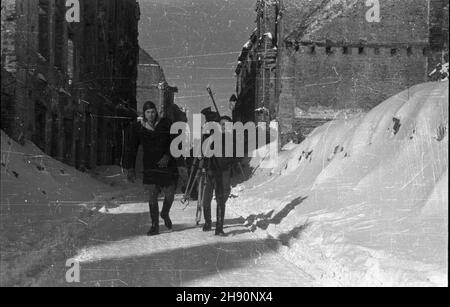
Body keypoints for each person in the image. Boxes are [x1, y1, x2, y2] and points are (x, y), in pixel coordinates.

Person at [125, 101, 179, 236]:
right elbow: (132, 148)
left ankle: (165, 213)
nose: (151, 115)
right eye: (148, 112)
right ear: (144, 113)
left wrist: (167, 156)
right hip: (150, 165)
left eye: (153, 112)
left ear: (156, 112)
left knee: (170, 194)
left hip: (166, 165)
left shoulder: (166, 124)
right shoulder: (138, 128)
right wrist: (130, 167)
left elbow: (174, 142)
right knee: (152, 196)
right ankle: (155, 226)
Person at [201, 115, 236, 237]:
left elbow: (235, 156)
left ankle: (219, 228)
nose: (224, 127)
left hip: (224, 172)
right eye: (222, 124)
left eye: (227, 125)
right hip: (211, 171)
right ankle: (207, 222)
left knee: (221, 199)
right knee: (206, 199)